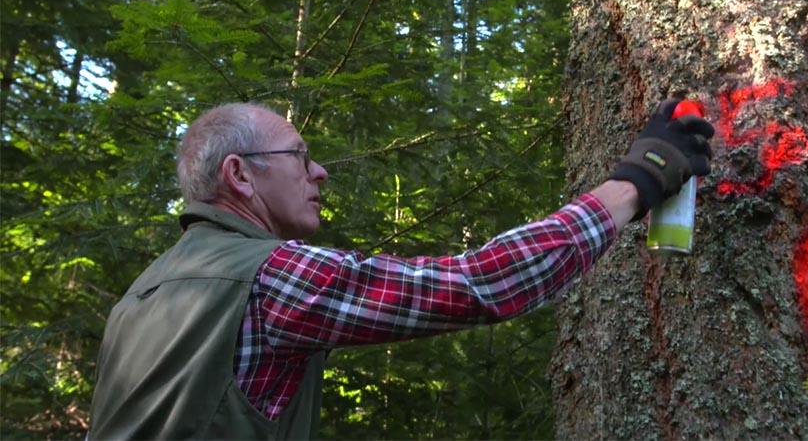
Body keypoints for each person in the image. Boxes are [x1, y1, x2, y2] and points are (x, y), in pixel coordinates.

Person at [88, 100, 714, 440]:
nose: (319, 172)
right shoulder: (269, 277)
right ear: (240, 175)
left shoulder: (141, 296)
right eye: (300, 156)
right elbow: (480, 284)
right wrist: (635, 183)